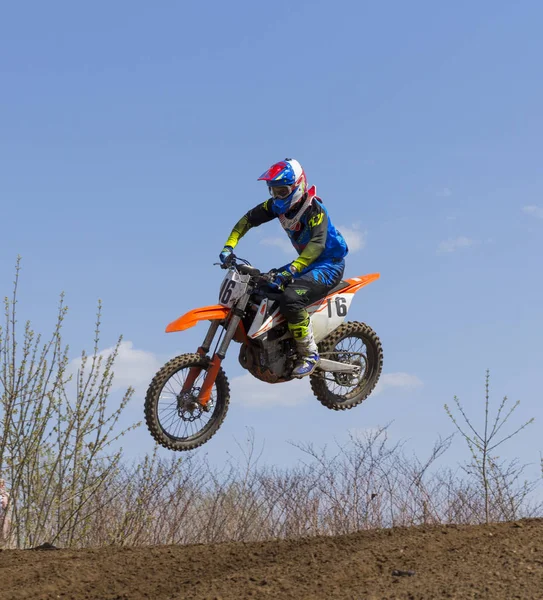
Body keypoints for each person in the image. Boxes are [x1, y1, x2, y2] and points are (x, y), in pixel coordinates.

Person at [219, 158, 349, 378]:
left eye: (281, 191)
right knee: (259, 289)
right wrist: (228, 247)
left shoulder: (315, 209)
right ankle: (276, 343)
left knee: (291, 298)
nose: (277, 197)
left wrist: (291, 270)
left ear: (297, 186)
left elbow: (317, 244)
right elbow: (247, 220)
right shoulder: (276, 206)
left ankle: (309, 353)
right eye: (273, 191)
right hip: (305, 264)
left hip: (328, 264)